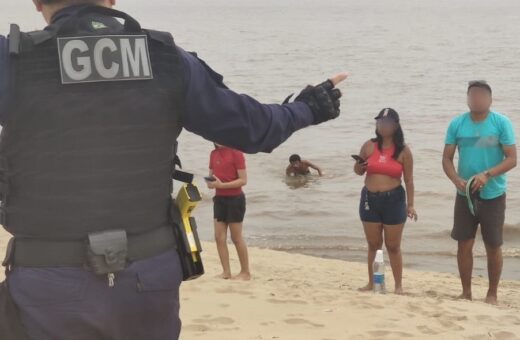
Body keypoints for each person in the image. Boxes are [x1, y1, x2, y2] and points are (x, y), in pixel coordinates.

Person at [0, 1, 348, 339]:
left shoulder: (14, 61)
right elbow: (255, 128)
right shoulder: (166, 59)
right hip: (148, 280)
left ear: (35, 2)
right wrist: (309, 107)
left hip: (48, 286)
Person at [442, 81, 517, 305]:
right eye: (472, 95)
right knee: (464, 243)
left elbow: (512, 159)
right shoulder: (457, 124)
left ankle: (492, 294)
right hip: (464, 194)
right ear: (468, 98)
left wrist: (487, 175)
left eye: (481, 96)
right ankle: (466, 292)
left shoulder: (501, 123)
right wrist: (456, 179)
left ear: (490, 100)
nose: (477, 99)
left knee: (493, 245)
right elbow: (446, 158)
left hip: (493, 194)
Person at [354, 108, 417, 295]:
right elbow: (358, 172)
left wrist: (411, 204)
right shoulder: (369, 146)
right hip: (369, 199)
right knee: (373, 244)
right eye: (380, 122)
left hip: (394, 199)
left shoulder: (404, 151)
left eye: (387, 122)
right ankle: (372, 282)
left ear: (396, 125)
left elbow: (409, 180)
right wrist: (359, 165)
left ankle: (398, 285)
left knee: (393, 246)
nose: (383, 126)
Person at [206, 144, 250, 281]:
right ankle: (226, 272)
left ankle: (245, 272)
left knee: (236, 238)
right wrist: (210, 183)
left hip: (235, 199)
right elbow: (210, 177)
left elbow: (243, 180)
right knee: (219, 237)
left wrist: (222, 185)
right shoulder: (213, 154)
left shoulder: (236, 152)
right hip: (219, 199)